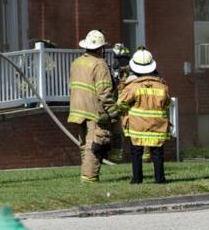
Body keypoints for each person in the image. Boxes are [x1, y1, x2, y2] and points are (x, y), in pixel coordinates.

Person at [67, 29, 116, 183]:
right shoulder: (100, 65)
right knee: (95, 143)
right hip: (93, 111)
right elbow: (104, 93)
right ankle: (89, 178)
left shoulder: (77, 62)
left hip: (77, 109)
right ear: (101, 48)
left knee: (84, 145)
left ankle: (85, 174)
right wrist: (114, 112)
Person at [116, 48, 170, 184]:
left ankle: (137, 179)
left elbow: (121, 104)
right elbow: (167, 104)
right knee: (157, 153)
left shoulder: (132, 86)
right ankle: (160, 179)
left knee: (136, 152)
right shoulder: (162, 86)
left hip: (138, 126)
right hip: (157, 125)